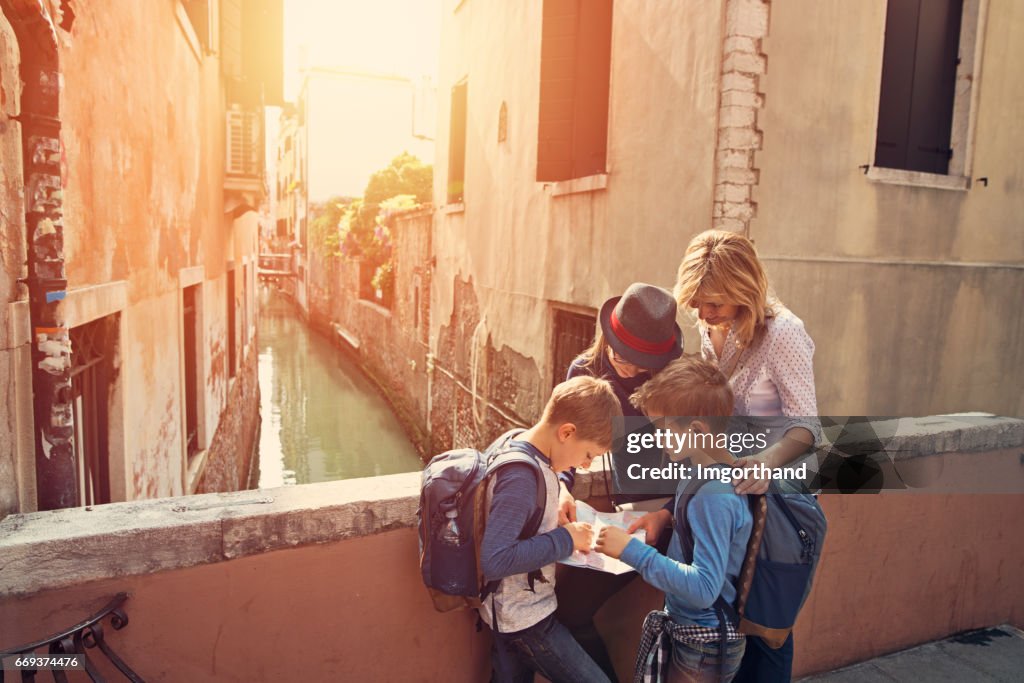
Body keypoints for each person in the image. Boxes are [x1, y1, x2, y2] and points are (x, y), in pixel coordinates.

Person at [674, 229, 820, 681]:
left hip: (780, 497)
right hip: (732, 491)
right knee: (730, 620)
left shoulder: (785, 335)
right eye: (697, 303)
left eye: (713, 302)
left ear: (745, 289)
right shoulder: (710, 324)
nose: (703, 313)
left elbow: (808, 427)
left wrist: (765, 463)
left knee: (768, 628)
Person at [554, 282, 683, 681]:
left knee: (571, 612)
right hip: (621, 518)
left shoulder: (680, 385)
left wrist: (666, 514)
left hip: (672, 518)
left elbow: (707, 466)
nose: (623, 365)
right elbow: (563, 446)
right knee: (567, 612)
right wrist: (559, 485)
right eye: (618, 352)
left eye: (637, 360)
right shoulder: (586, 371)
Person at [597, 356, 752, 682]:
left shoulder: (714, 495)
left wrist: (630, 551)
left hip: (702, 646)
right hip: (691, 631)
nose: (658, 439)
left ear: (696, 429)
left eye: (663, 430)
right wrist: (665, 516)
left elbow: (704, 588)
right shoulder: (704, 469)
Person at [479, 375, 623, 683]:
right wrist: (566, 539)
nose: (585, 466)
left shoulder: (520, 443)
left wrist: (559, 491)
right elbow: (494, 559)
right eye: (588, 455)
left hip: (514, 615)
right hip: (525, 622)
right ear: (567, 432)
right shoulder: (520, 478)